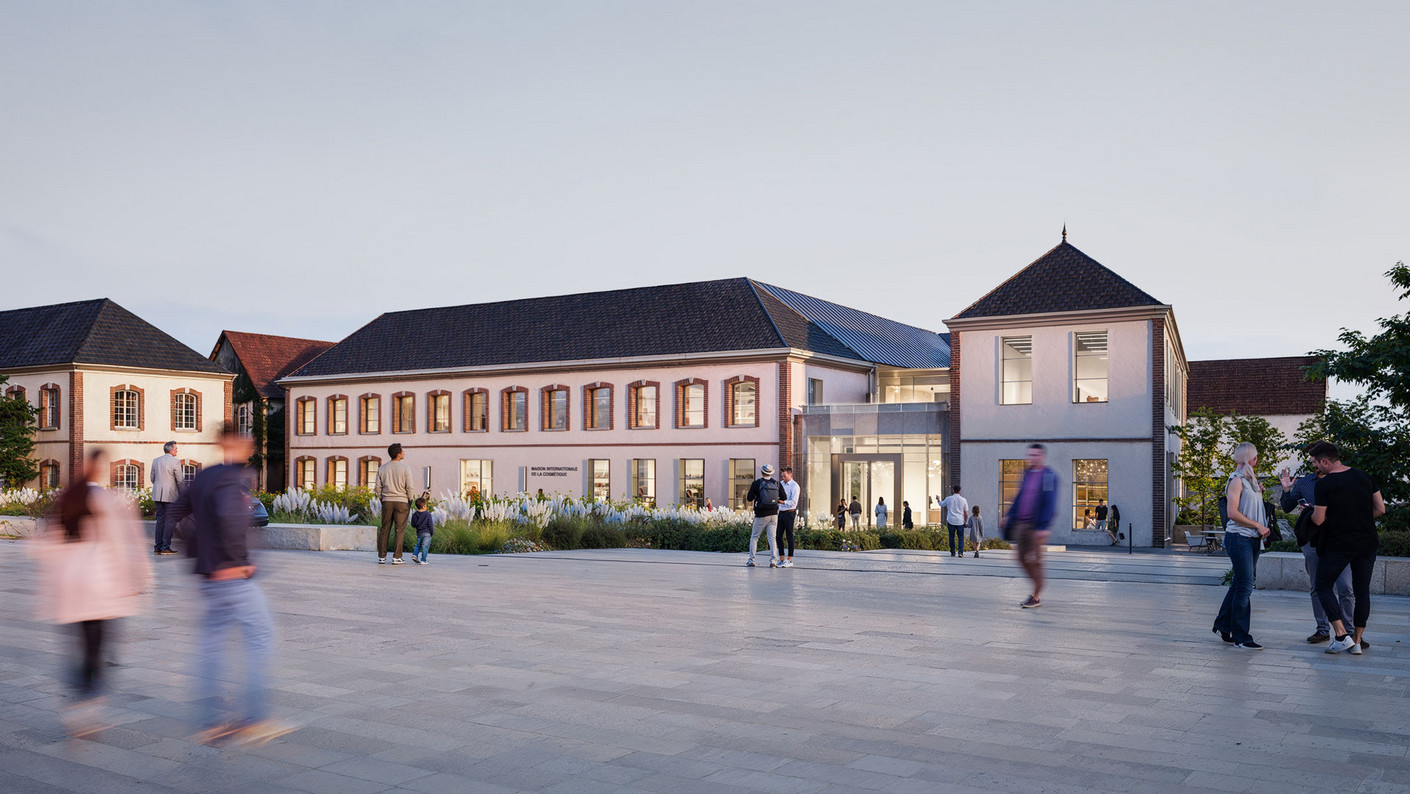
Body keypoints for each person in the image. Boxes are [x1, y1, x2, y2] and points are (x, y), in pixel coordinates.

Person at [168, 425, 289, 744]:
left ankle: (210, 721)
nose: (249, 445)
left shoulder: (205, 476)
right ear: (232, 443)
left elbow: (175, 516)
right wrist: (237, 561)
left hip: (209, 575)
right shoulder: (233, 478)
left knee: (211, 644)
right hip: (232, 575)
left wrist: (200, 550)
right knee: (261, 637)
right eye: (244, 441)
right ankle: (254, 717)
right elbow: (230, 519)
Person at [32, 448, 151, 737]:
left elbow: (43, 546)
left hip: (70, 589)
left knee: (81, 648)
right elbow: (119, 543)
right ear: (98, 468)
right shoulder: (103, 500)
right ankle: (85, 705)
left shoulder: (66, 498)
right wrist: (137, 579)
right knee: (97, 650)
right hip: (99, 587)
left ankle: (78, 701)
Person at [1307, 441, 1386, 655]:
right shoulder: (1364, 476)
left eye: (1315, 463)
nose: (1315, 467)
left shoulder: (1324, 484)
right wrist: (1358, 518)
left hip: (1339, 544)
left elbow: (1318, 519)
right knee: (1362, 592)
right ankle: (1357, 642)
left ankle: (1341, 635)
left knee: (1322, 586)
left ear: (1324, 461)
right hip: (1367, 542)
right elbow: (1380, 508)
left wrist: (1311, 512)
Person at [1280, 461, 1356, 645]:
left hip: (1338, 541)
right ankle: (1322, 629)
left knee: (1346, 587)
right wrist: (1287, 490)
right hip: (1313, 539)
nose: (1316, 464)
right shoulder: (1305, 482)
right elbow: (1287, 507)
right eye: (1313, 460)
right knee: (1317, 586)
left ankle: (1349, 632)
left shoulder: (1341, 480)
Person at [1212, 442, 1270, 650]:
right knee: (1245, 586)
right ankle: (1241, 636)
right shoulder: (1236, 481)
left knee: (1239, 583)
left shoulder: (1249, 481)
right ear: (1252, 460)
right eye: (1256, 458)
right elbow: (1232, 513)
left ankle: (1222, 624)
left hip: (1252, 538)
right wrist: (1257, 525)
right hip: (1239, 538)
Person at [1003, 443, 1058, 608]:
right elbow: (1020, 496)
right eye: (1030, 455)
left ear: (1043, 456)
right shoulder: (1027, 473)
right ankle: (1037, 585)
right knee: (1019, 557)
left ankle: (1036, 595)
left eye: (1035, 455)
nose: (1032, 458)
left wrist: (1044, 527)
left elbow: (1050, 503)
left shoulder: (1049, 476)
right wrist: (1009, 515)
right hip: (1021, 523)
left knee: (1036, 560)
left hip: (1036, 526)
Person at [374, 443, 415, 564]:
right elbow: (410, 486)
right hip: (402, 502)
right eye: (402, 451)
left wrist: (381, 498)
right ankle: (397, 557)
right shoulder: (405, 468)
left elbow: (377, 486)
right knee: (399, 530)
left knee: (384, 529)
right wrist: (410, 499)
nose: (404, 453)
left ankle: (382, 557)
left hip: (387, 501)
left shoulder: (382, 468)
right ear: (398, 454)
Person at [744, 464, 782, 568]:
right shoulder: (777, 483)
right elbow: (784, 497)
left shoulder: (757, 483)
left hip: (761, 514)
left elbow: (749, 498)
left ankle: (751, 560)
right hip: (774, 514)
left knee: (754, 538)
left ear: (762, 472)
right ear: (771, 473)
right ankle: (773, 561)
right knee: (772, 538)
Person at [150, 441, 183, 555]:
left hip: (158, 495)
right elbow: (179, 480)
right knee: (170, 521)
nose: (177, 451)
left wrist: (160, 487)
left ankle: (158, 547)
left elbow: (152, 478)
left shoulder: (156, 460)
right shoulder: (175, 461)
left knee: (160, 521)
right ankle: (165, 547)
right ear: (171, 450)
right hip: (170, 495)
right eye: (176, 449)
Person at [776, 466, 800, 568]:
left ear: (790, 474)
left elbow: (793, 502)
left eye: (784, 476)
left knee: (789, 535)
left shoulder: (795, 486)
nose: (783, 478)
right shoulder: (780, 484)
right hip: (781, 512)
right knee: (778, 536)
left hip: (790, 513)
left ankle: (789, 560)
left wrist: (782, 502)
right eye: (782, 476)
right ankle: (781, 559)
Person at [940, 485, 969, 557]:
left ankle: (953, 552)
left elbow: (942, 504)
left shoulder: (949, 498)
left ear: (953, 490)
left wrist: (938, 500)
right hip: (960, 521)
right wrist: (965, 522)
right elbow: (966, 513)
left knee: (951, 536)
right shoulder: (963, 500)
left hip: (951, 520)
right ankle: (960, 552)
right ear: (960, 491)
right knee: (961, 537)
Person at [410, 497, 434, 565]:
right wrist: (432, 533)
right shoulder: (428, 514)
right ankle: (423, 560)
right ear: (423, 506)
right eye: (426, 505)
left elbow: (413, 524)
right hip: (427, 533)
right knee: (425, 546)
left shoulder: (415, 514)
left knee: (418, 545)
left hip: (419, 533)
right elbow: (430, 525)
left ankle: (415, 554)